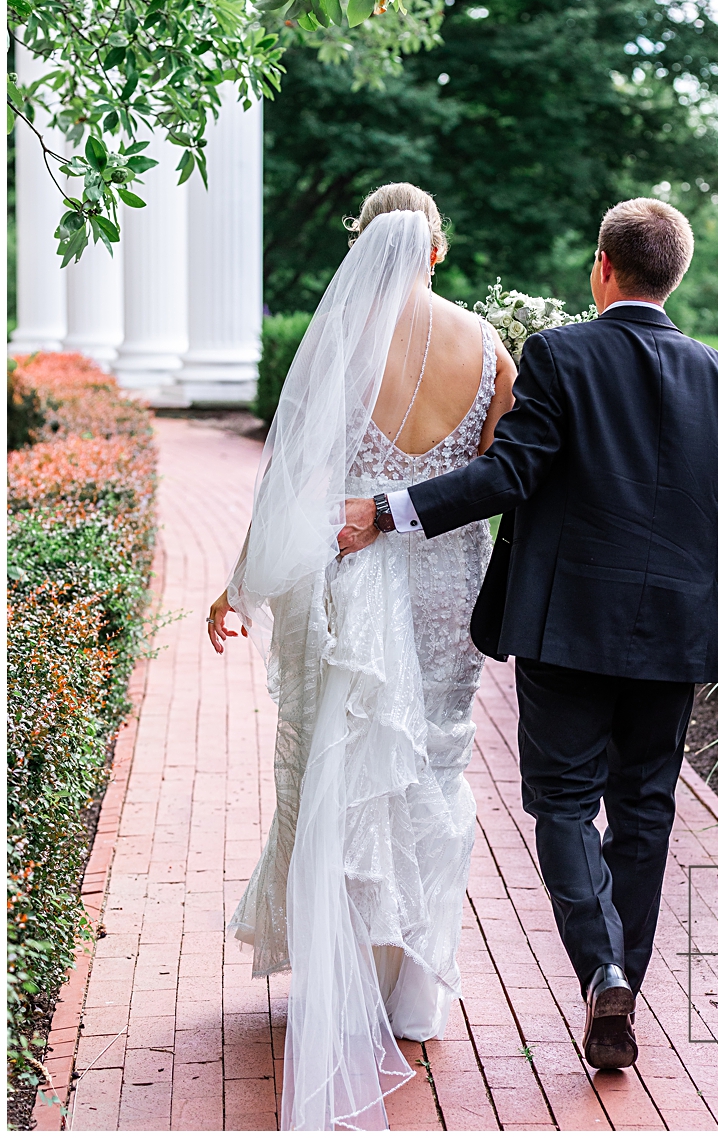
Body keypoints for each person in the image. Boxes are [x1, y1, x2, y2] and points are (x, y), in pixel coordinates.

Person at [337, 196, 718, 1075]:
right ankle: (617, 980)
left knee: (561, 805)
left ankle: (601, 971)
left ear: (603, 267)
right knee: (646, 811)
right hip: (676, 637)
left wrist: (389, 509)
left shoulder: (559, 355)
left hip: (565, 632)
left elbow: (506, 475)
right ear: (678, 276)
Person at [206, 184, 517, 1128]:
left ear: (367, 243)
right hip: (442, 586)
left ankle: (336, 979)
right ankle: (411, 991)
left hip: (342, 581)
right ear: (434, 249)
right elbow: (504, 476)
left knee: (334, 765)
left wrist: (240, 582)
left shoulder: (341, 338)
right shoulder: (489, 346)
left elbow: (296, 471)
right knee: (430, 768)